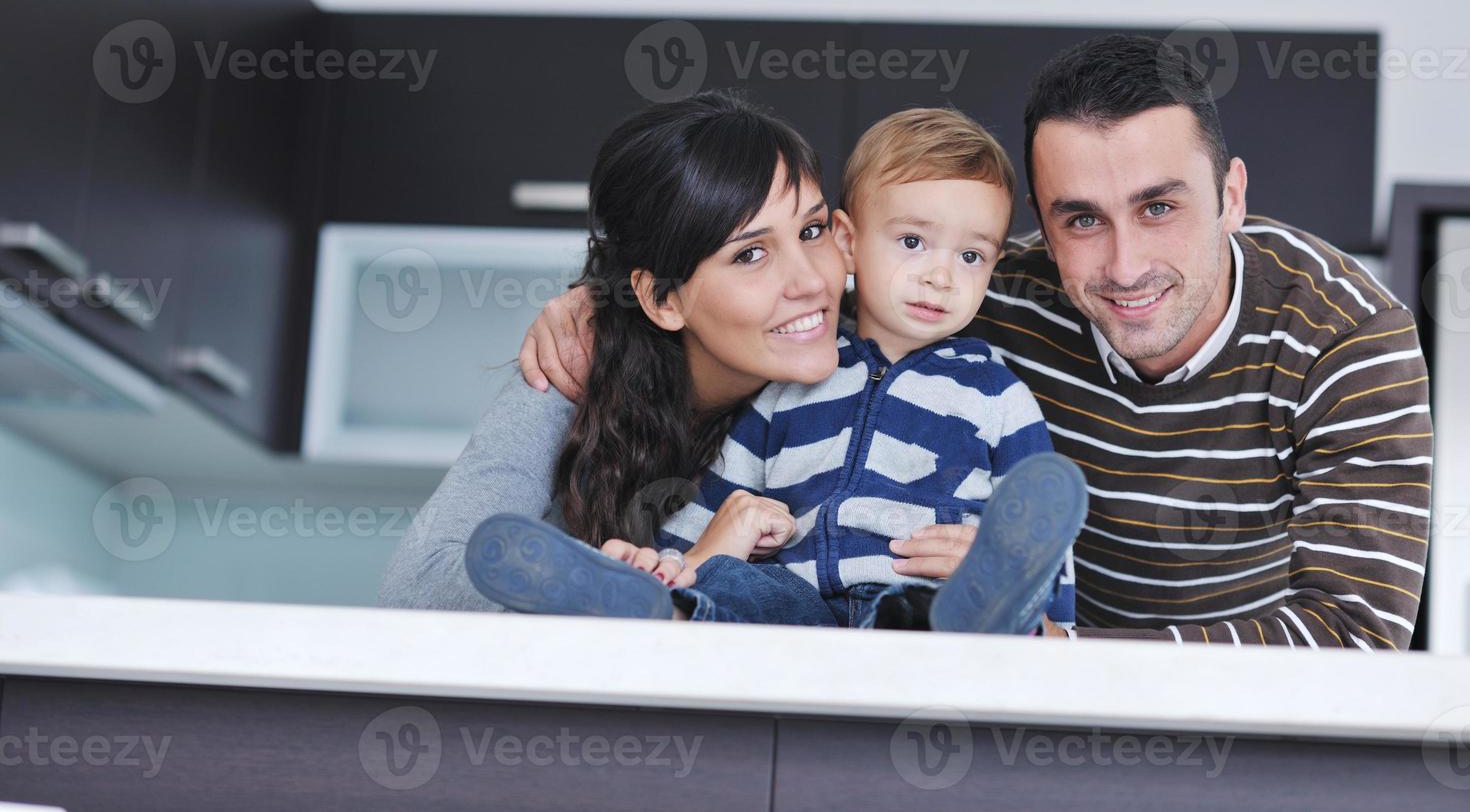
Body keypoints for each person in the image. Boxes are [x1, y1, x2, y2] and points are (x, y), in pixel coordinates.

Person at [519, 35, 1433, 650]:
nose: (1122, 263)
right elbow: (785, 278)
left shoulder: (1349, 341)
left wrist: (1055, 644)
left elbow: (1354, 635)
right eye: (1079, 219)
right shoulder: (985, 292)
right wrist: (611, 297)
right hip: (973, 687)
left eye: (1160, 206)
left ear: (1232, 194)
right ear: (1037, 228)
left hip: (1212, 709)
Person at [464, 108, 1087, 633]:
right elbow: (717, 502)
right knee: (737, 585)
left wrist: (1045, 619)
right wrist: (669, 566)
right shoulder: (788, 388)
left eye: (971, 255)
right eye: (912, 243)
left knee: (941, 606)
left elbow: (1036, 532)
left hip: (913, 606)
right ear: (851, 241)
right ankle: (649, 611)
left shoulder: (996, 394)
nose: (940, 275)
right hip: (798, 609)